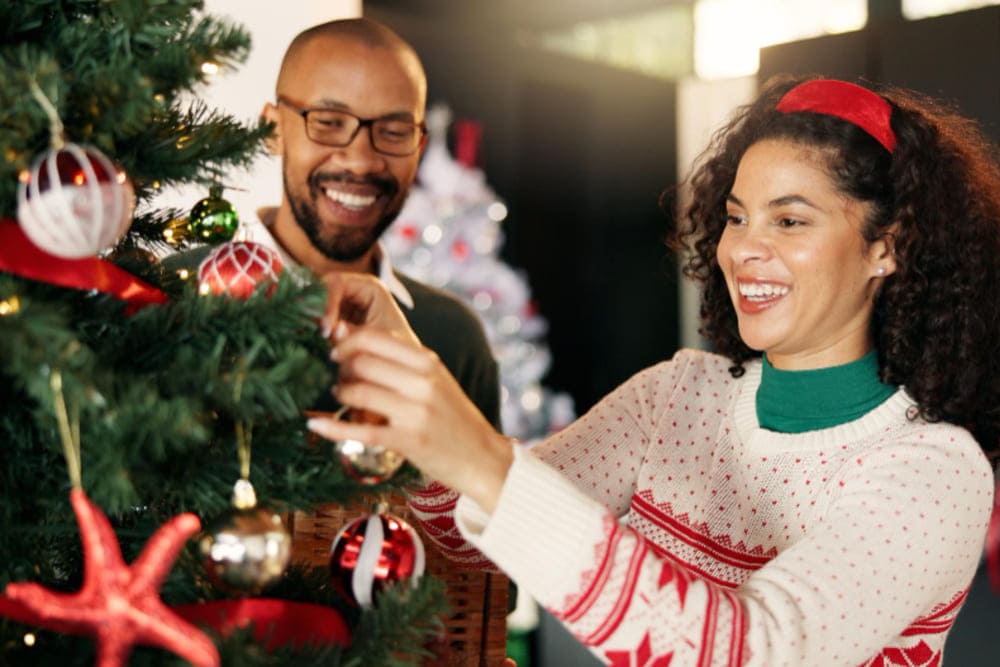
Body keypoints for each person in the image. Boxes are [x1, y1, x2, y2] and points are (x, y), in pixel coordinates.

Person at [309, 74, 1000, 665]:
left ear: (888, 247)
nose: (744, 250)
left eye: (790, 222)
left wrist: (481, 457)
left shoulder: (934, 471)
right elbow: (464, 543)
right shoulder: (677, 397)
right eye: (737, 218)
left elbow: (747, 652)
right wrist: (403, 369)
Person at [167, 17, 500, 426]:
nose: (360, 161)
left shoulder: (453, 339)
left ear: (420, 147)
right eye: (328, 123)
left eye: (394, 131)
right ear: (272, 130)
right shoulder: (170, 295)